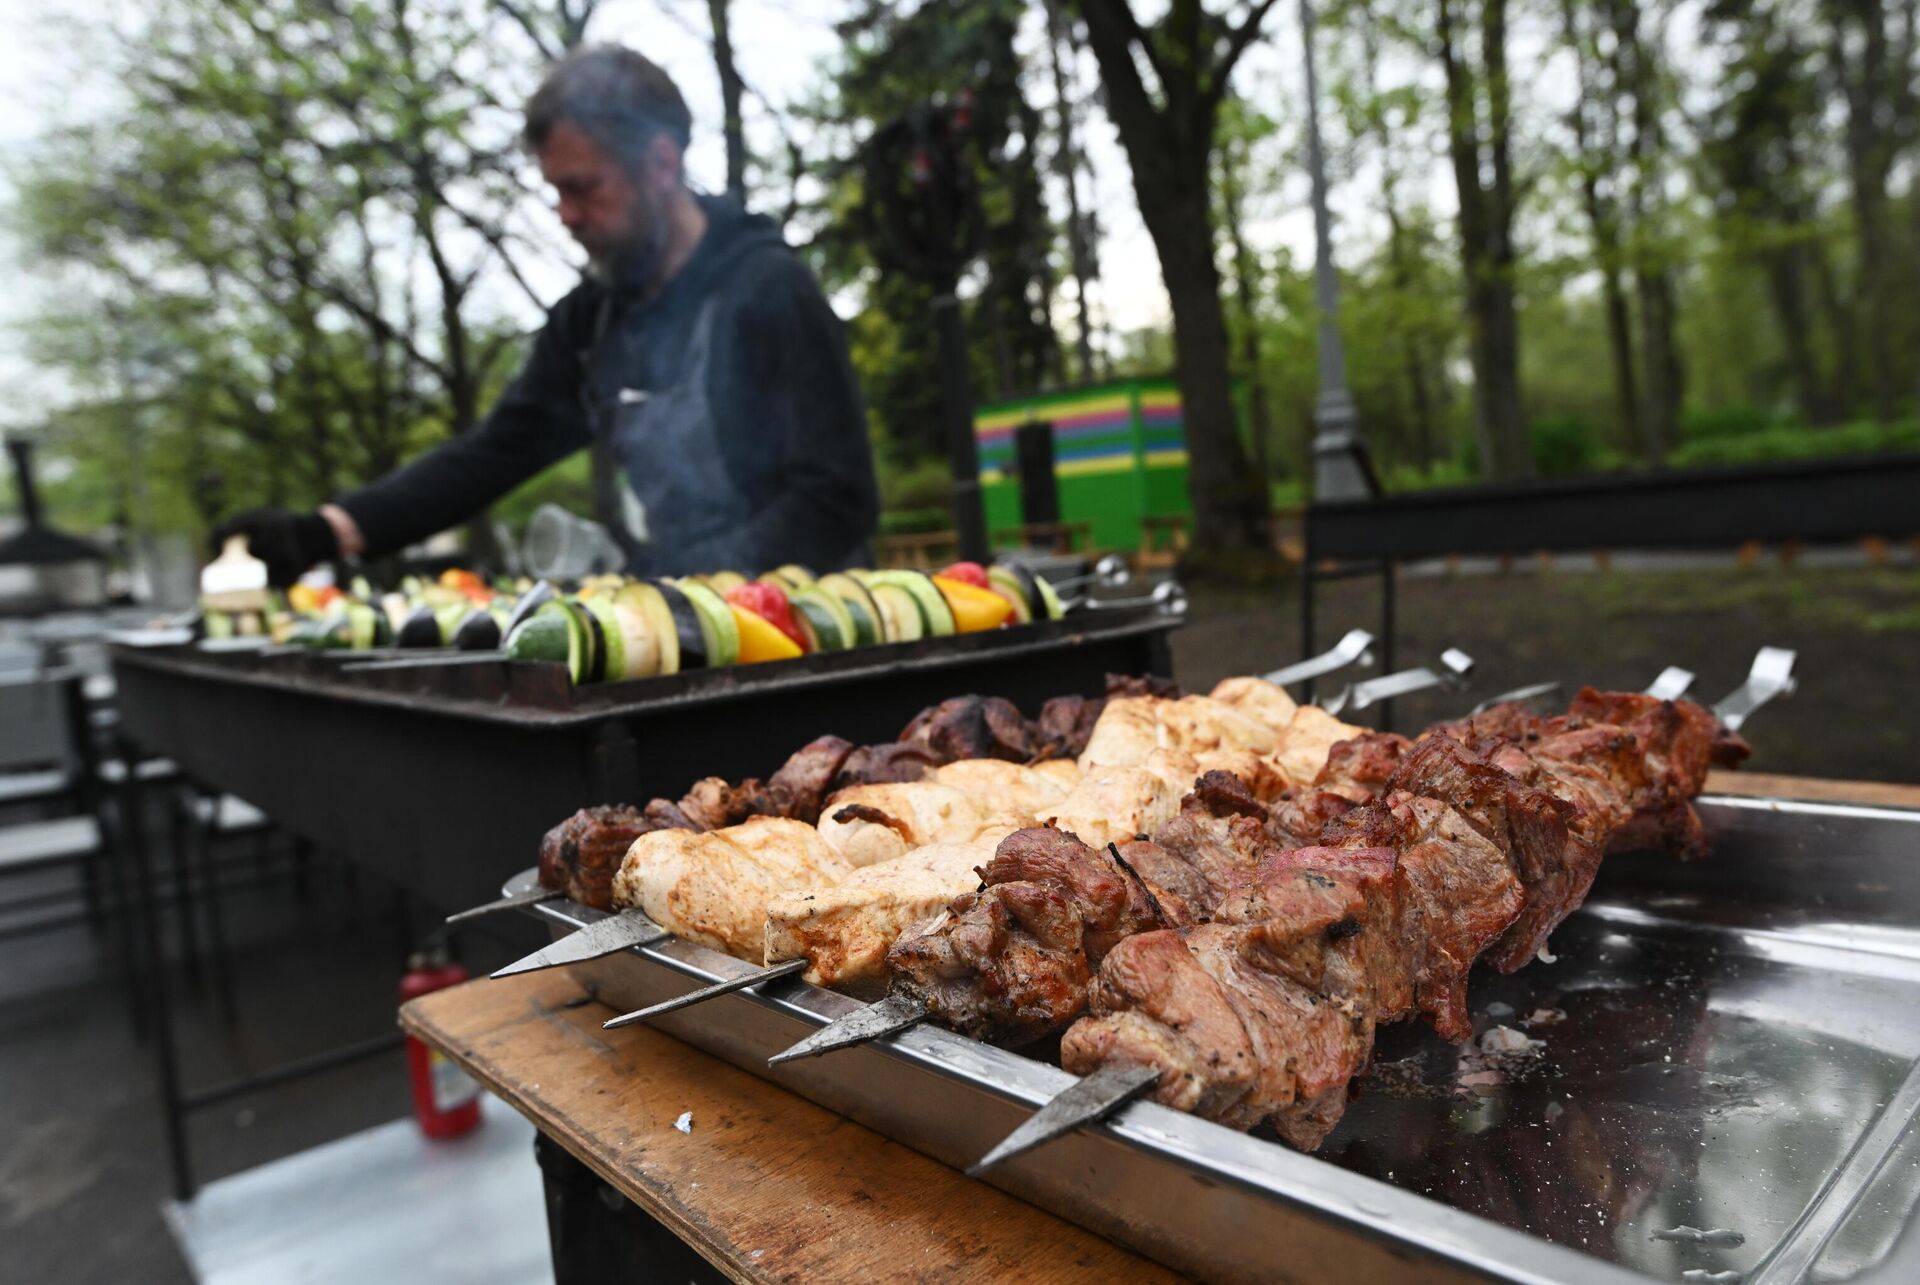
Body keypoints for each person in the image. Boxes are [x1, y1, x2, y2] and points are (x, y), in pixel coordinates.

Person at [218, 45, 878, 585]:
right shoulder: (591, 323)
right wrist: (328, 531)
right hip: (681, 630)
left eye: (581, 188)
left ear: (661, 165)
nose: (564, 215)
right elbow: (496, 450)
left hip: (809, 635)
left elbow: (835, 502)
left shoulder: (768, 287)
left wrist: (669, 578)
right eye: (554, 192)